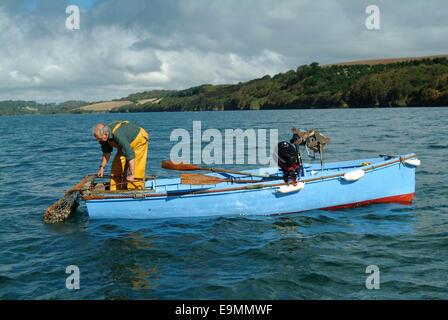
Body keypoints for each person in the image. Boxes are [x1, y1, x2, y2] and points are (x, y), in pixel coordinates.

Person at [92, 121, 149, 190]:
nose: (98, 141)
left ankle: (135, 190)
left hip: (139, 140)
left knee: (136, 168)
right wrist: (102, 168)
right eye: (97, 138)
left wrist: (131, 173)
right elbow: (106, 153)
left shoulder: (118, 135)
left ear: (106, 134)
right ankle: (115, 190)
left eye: (99, 138)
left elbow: (130, 155)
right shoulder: (103, 138)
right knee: (116, 165)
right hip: (125, 143)